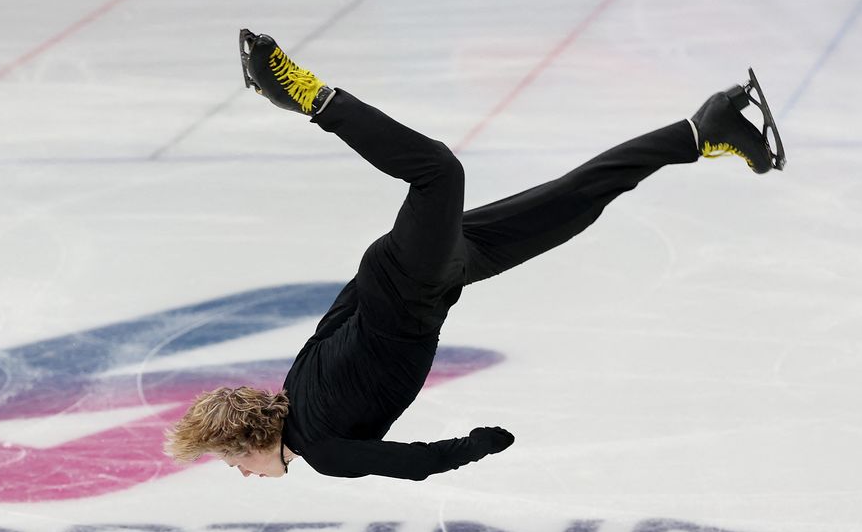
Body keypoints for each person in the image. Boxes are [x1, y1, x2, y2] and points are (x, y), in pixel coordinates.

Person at [164, 29, 786, 482]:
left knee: (437, 171)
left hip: (415, 283)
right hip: (428, 279)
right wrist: (418, 271)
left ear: (251, 439)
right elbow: (343, 308)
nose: (242, 475)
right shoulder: (298, 390)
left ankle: (303, 93)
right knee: (574, 203)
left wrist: (478, 444)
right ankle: (705, 130)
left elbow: (414, 465)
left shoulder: (325, 450)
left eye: (232, 462)